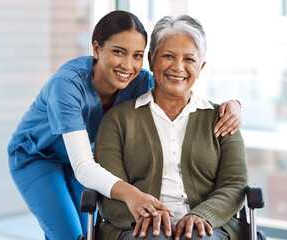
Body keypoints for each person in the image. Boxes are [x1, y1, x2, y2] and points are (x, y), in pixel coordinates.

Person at [7, 11, 242, 240]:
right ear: (97, 49)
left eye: (137, 55)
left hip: (86, 156)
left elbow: (176, 88)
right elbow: (83, 167)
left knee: (84, 232)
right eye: (119, 52)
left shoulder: (139, 81)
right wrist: (133, 194)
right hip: (38, 157)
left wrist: (234, 105)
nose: (128, 65)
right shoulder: (67, 86)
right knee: (69, 234)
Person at [93, 15, 248, 240]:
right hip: (136, 227)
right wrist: (149, 216)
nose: (178, 67)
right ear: (151, 61)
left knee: (196, 236)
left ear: (201, 66)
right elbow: (109, 188)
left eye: (189, 59)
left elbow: (234, 184)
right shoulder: (118, 120)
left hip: (209, 227)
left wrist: (202, 215)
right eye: (168, 56)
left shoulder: (223, 119)